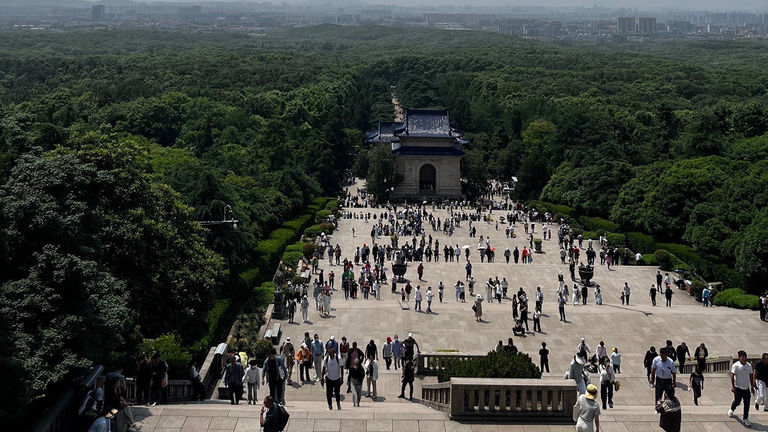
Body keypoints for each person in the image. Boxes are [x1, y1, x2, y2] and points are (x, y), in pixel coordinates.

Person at [728, 350, 756, 427]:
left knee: (747, 404)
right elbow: (732, 375)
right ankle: (732, 409)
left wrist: (752, 387)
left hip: (746, 388)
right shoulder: (736, 365)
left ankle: (745, 418)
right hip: (738, 388)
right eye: (742, 357)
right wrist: (733, 386)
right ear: (739, 358)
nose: (744, 358)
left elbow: (751, 376)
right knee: (737, 402)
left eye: (745, 357)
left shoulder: (749, 366)